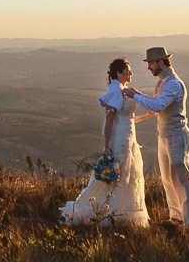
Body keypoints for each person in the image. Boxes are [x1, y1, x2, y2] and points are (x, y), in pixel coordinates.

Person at [60, 58, 149, 227]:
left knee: (125, 177)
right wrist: (107, 146)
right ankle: (104, 212)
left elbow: (126, 119)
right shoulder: (115, 90)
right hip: (119, 140)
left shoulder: (123, 89)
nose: (131, 73)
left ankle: (119, 212)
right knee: (114, 176)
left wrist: (146, 116)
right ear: (118, 73)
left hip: (128, 138)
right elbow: (109, 121)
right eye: (127, 71)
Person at [124, 46, 189, 228]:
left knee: (183, 179)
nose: (149, 67)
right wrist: (140, 95)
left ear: (160, 62)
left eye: (150, 63)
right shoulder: (163, 82)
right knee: (168, 179)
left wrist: (134, 96)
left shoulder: (173, 83)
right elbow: (157, 102)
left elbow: (158, 107)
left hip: (177, 136)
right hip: (165, 136)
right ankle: (176, 218)